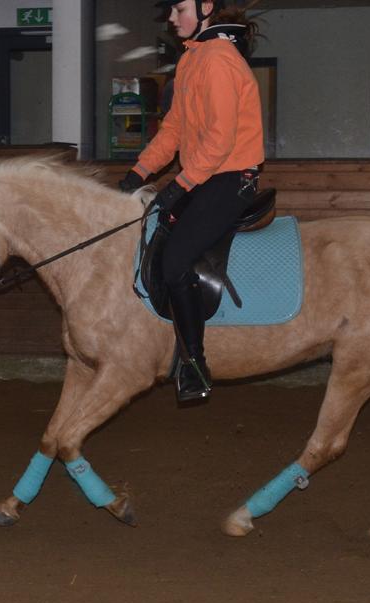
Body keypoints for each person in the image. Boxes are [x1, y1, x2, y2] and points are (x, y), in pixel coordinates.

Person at [120, 0, 264, 403]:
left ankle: (195, 363)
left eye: (179, 8)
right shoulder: (191, 60)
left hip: (230, 178)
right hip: (206, 175)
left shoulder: (218, 59)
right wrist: (138, 172)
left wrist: (180, 184)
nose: (172, 18)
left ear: (206, 7)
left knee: (176, 260)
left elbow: (220, 139)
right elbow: (174, 130)